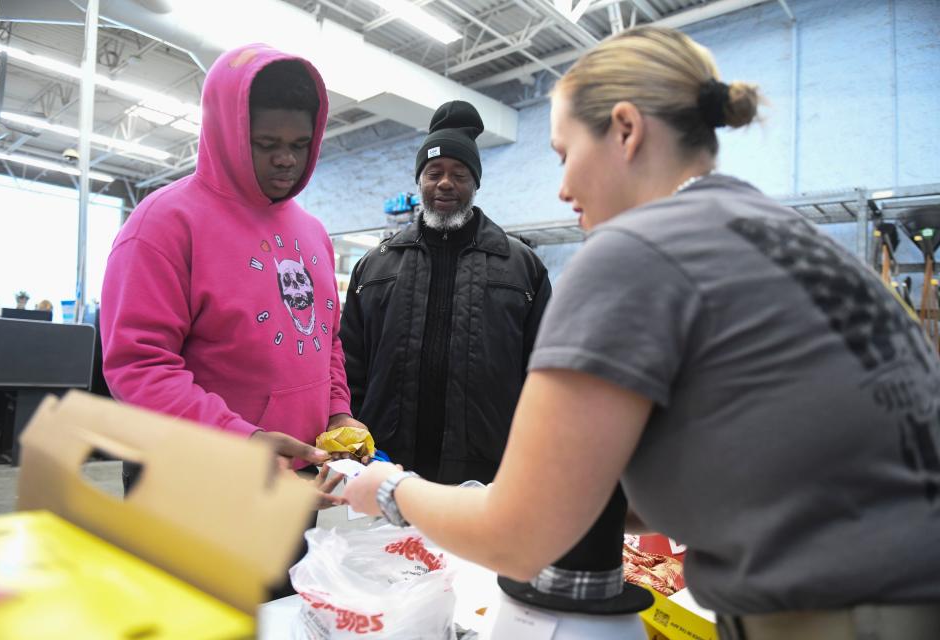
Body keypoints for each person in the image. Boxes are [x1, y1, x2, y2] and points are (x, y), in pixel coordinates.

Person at [346, 26, 940, 639]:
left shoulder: (634, 250)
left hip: (844, 610)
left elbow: (521, 536)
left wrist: (387, 488)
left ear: (626, 130)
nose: (562, 187)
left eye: (563, 153)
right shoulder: (777, 231)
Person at [101, 44, 366, 504]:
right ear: (226, 132)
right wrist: (239, 439)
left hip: (294, 477)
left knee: (288, 579)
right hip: (193, 478)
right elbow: (139, 366)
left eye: (300, 145)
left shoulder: (314, 232)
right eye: (267, 144)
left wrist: (337, 413)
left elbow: (327, 341)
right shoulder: (163, 224)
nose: (287, 160)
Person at [339, 100, 551, 484]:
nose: (445, 183)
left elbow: (543, 370)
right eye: (433, 172)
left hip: (488, 466)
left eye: (460, 173)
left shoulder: (521, 266)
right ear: (419, 181)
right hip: (387, 463)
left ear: (475, 183)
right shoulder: (375, 265)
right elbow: (349, 362)